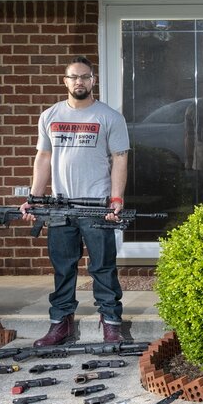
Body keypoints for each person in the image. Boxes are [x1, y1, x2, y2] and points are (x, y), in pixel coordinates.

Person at [22, 56, 130, 347]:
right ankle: (61, 323)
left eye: (85, 77)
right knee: (63, 267)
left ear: (93, 80)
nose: (79, 81)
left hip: (96, 205)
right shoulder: (50, 115)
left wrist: (116, 198)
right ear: (65, 81)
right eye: (74, 77)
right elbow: (43, 157)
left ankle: (111, 323)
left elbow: (120, 158)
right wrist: (34, 197)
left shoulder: (109, 117)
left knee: (103, 266)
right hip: (60, 206)